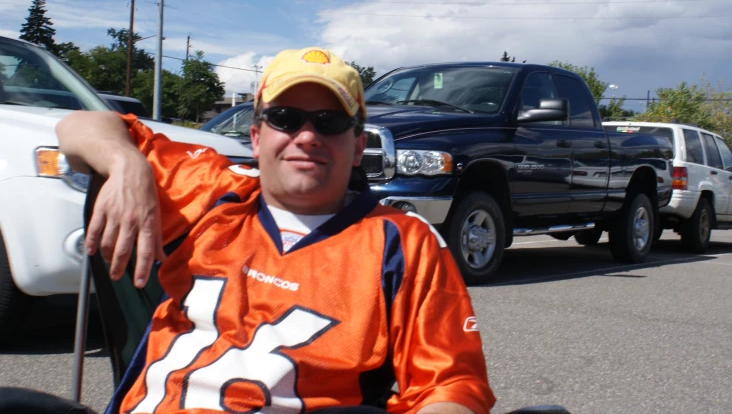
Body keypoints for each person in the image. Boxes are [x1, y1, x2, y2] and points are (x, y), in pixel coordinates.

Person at [52, 47, 495, 414]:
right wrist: (125, 162)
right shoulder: (209, 189)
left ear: (359, 145)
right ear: (257, 136)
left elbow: (452, 387)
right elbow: (80, 126)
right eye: (285, 117)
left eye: (330, 122)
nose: (306, 136)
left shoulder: (401, 242)